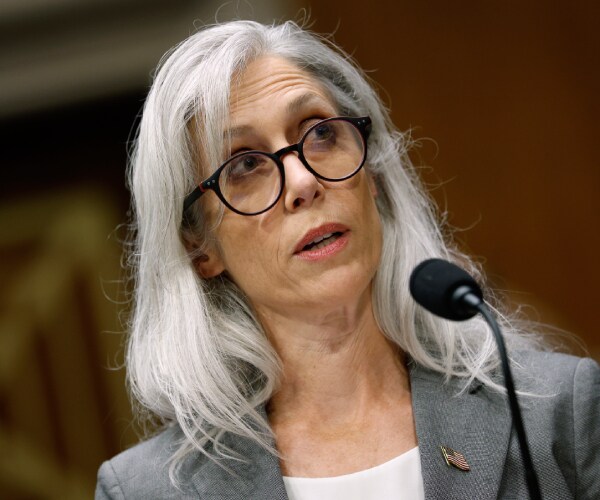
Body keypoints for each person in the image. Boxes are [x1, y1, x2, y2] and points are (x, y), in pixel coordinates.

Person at [95, 20, 599, 500]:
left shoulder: (557, 412)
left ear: (371, 174)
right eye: (245, 164)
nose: (303, 181)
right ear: (200, 247)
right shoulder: (145, 491)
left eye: (320, 134)